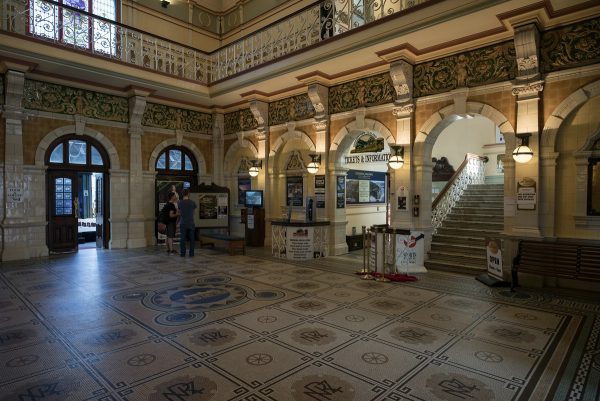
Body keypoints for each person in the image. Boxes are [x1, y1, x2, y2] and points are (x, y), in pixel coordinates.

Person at [178, 188, 197, 257]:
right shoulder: (192, 202)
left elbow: (179, 213)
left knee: (182, 238)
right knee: (192, 239)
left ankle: (183, 253)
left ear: (182, 194)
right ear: (189, 194)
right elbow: (194, 213)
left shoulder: (180, 203)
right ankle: (191, 253)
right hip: (191, 222)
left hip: (183, 222)